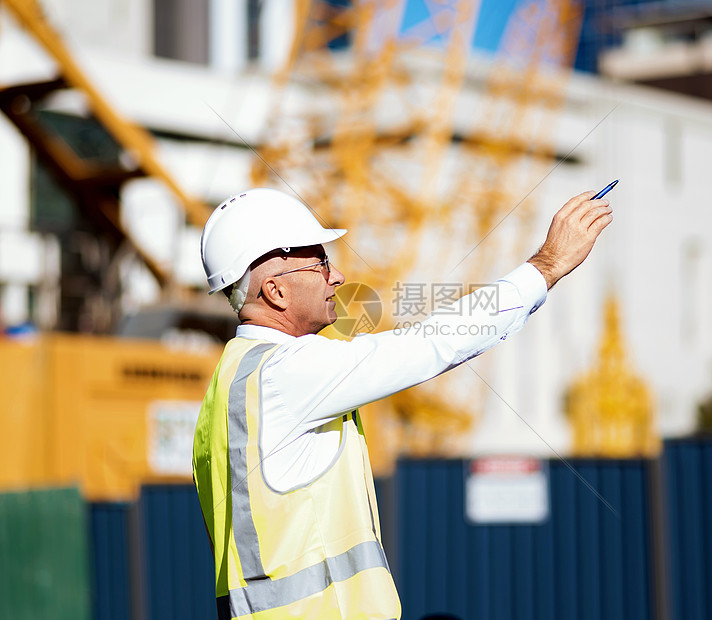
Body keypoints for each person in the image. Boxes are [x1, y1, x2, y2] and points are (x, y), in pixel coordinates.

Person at [193, 187, 612, 620]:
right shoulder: (286, 374)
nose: (336, 275)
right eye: (320, 263)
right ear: (276, 292)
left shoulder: (227, 388)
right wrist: (546, 266)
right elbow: (434, 342)